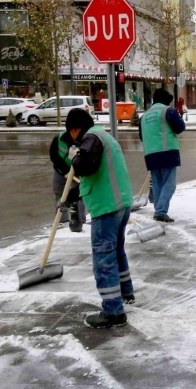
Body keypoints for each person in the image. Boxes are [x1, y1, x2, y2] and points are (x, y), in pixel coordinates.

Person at [65, 108, 135, 329]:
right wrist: (75, 194)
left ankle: (113, 312)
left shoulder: (91, 138)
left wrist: (75, 158)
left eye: (71, 134)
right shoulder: (105, 136)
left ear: (75, 129)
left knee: (103, 260)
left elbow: (87, 165)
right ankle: (126, 292)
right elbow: (98, 174)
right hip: (120, 203)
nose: (73, 139)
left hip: (106, 208)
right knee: (116, 251)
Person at [139, 88, 186, 222]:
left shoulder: (144, 116)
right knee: (169, 184)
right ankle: (160, 212)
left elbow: (142, 136)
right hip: (167, 152)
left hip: (150, 155)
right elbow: (180, 127)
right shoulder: (168, 111)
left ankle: (158, 211)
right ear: (166, 101)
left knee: (158, 183)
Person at [49, 130, 86, 227]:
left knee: (80, 194)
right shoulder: (59, 138)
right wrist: (64, 171)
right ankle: (62, 220)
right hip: (61, 170)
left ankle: (80, 220)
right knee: (59, 193)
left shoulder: (84, 139)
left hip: (78, 171)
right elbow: (53, 155)